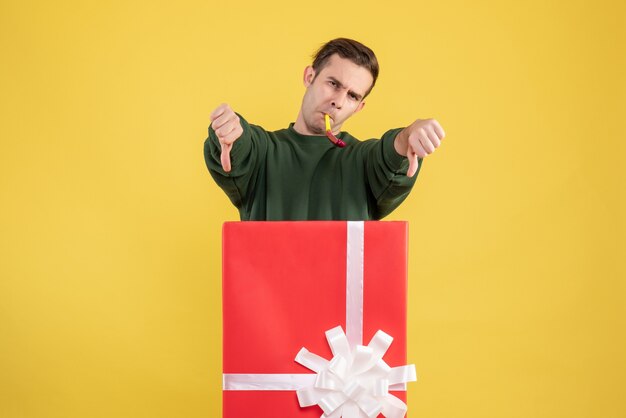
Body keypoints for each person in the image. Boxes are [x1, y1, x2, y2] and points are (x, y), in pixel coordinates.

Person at [204, 38, 445, 221]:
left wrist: (406, 136)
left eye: (352, 95)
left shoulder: (363, 161)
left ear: (359, 107)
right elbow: (245, 146)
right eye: (333, 84)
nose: (338, 101)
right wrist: (230, 132)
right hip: (265, 289)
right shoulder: (264, 152)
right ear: (309, 76)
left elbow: (387, 157)